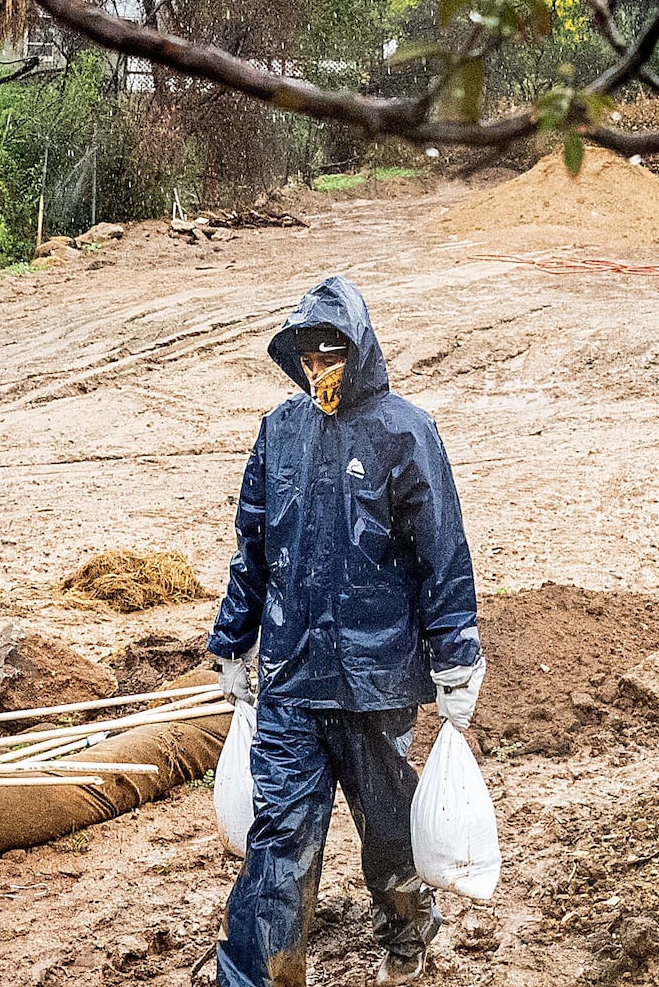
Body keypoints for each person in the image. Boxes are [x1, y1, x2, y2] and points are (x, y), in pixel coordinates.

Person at [205, 276, 482, 986]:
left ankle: (409, 922)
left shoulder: (405, 433)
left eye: (331, 352)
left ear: (357, 351)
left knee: (388, 831)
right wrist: (232, 641)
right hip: (293, 680)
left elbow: (441, 552)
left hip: (375, 676)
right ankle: (260, 974)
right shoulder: (280, 432)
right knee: (279, 841)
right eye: (306, 354)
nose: (317, 366)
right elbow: (254, 548)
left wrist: (456, 654)